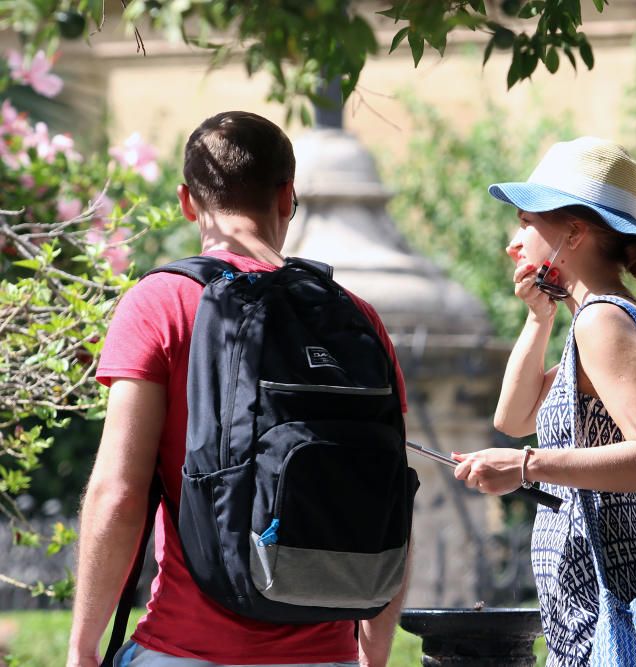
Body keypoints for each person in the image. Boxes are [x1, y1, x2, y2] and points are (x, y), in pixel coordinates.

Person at [67, 111, 408, 667]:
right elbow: (392, 495)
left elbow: (119, 493)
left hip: (187, 650)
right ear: (286, 198)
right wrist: (372, 657)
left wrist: (82, 649)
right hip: (329, 656)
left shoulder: (161, 304)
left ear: (186, 201)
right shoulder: (358, 319)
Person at [453, 137, 636, 665]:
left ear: (574, 232)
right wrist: (538, 319)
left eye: (526, 222)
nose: (515, 243)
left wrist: (526, 466)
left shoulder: (603, 320)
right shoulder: (601, 318)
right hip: (594, 603)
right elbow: (514, 419)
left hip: (607, 606)